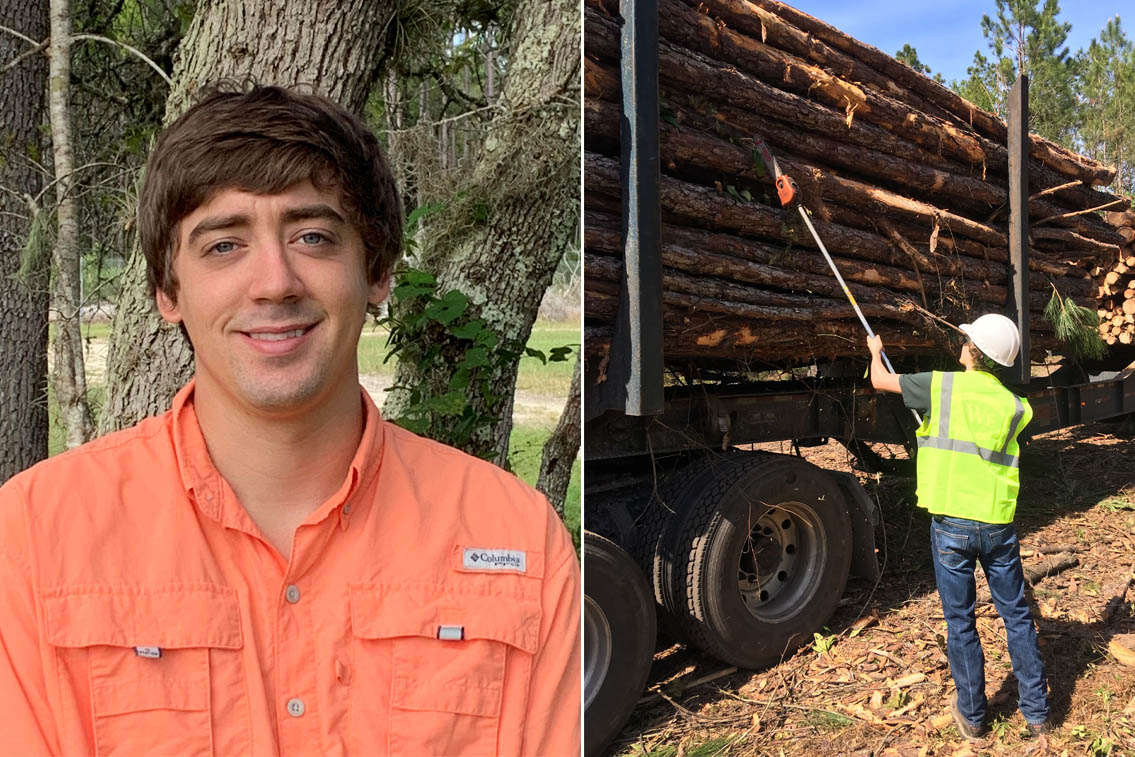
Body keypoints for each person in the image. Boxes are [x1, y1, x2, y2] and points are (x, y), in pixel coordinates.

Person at [0, 85, 580, 756]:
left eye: (312, 236)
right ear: (167, 290)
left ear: (378, 269)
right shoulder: (34, 541)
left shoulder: (514, 535)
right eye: (223, 245)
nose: (275, 281)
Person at [867, 314, 1051, 742]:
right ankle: (1037, 714)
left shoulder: (941, 385)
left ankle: (972, 715)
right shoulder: (1016, 406)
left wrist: (875, 353)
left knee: (960, 620)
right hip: (997, 524)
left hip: (951, 524)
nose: (962, 342)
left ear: (973, 352)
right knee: (1017, 616)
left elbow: (880, 381)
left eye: (966, 338)